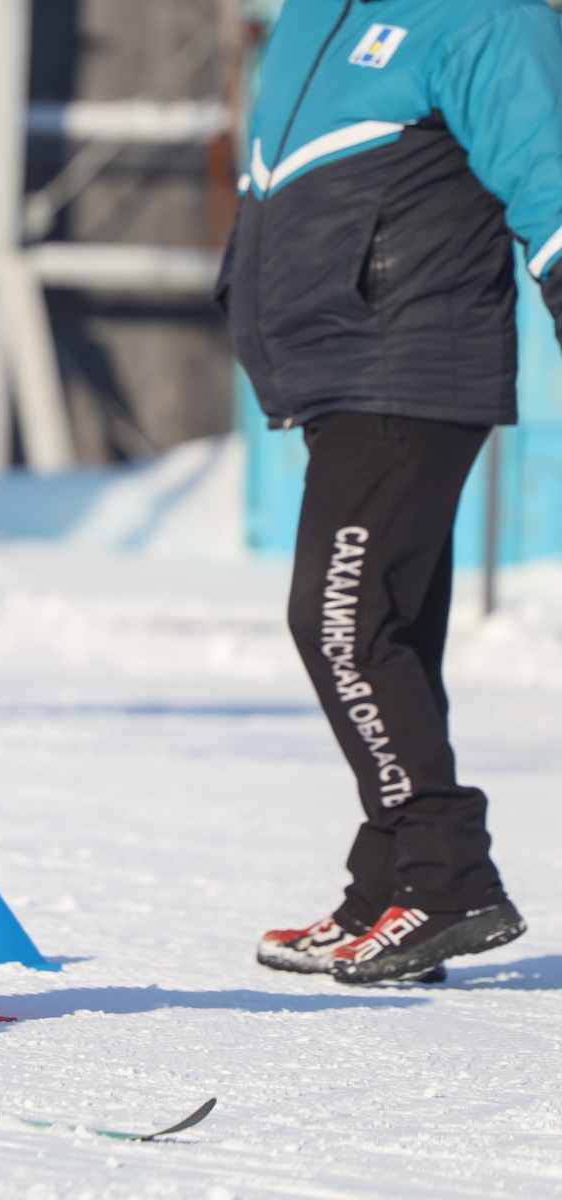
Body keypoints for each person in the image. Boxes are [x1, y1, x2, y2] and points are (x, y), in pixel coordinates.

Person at [217, 0, 562, 984]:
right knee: (393, 631)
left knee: (341, 623)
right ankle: (393, 885)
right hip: (337, 366)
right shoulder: (313, 14)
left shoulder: (485, 18)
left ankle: (451, 880)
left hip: (413, 362)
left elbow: (551, 172)